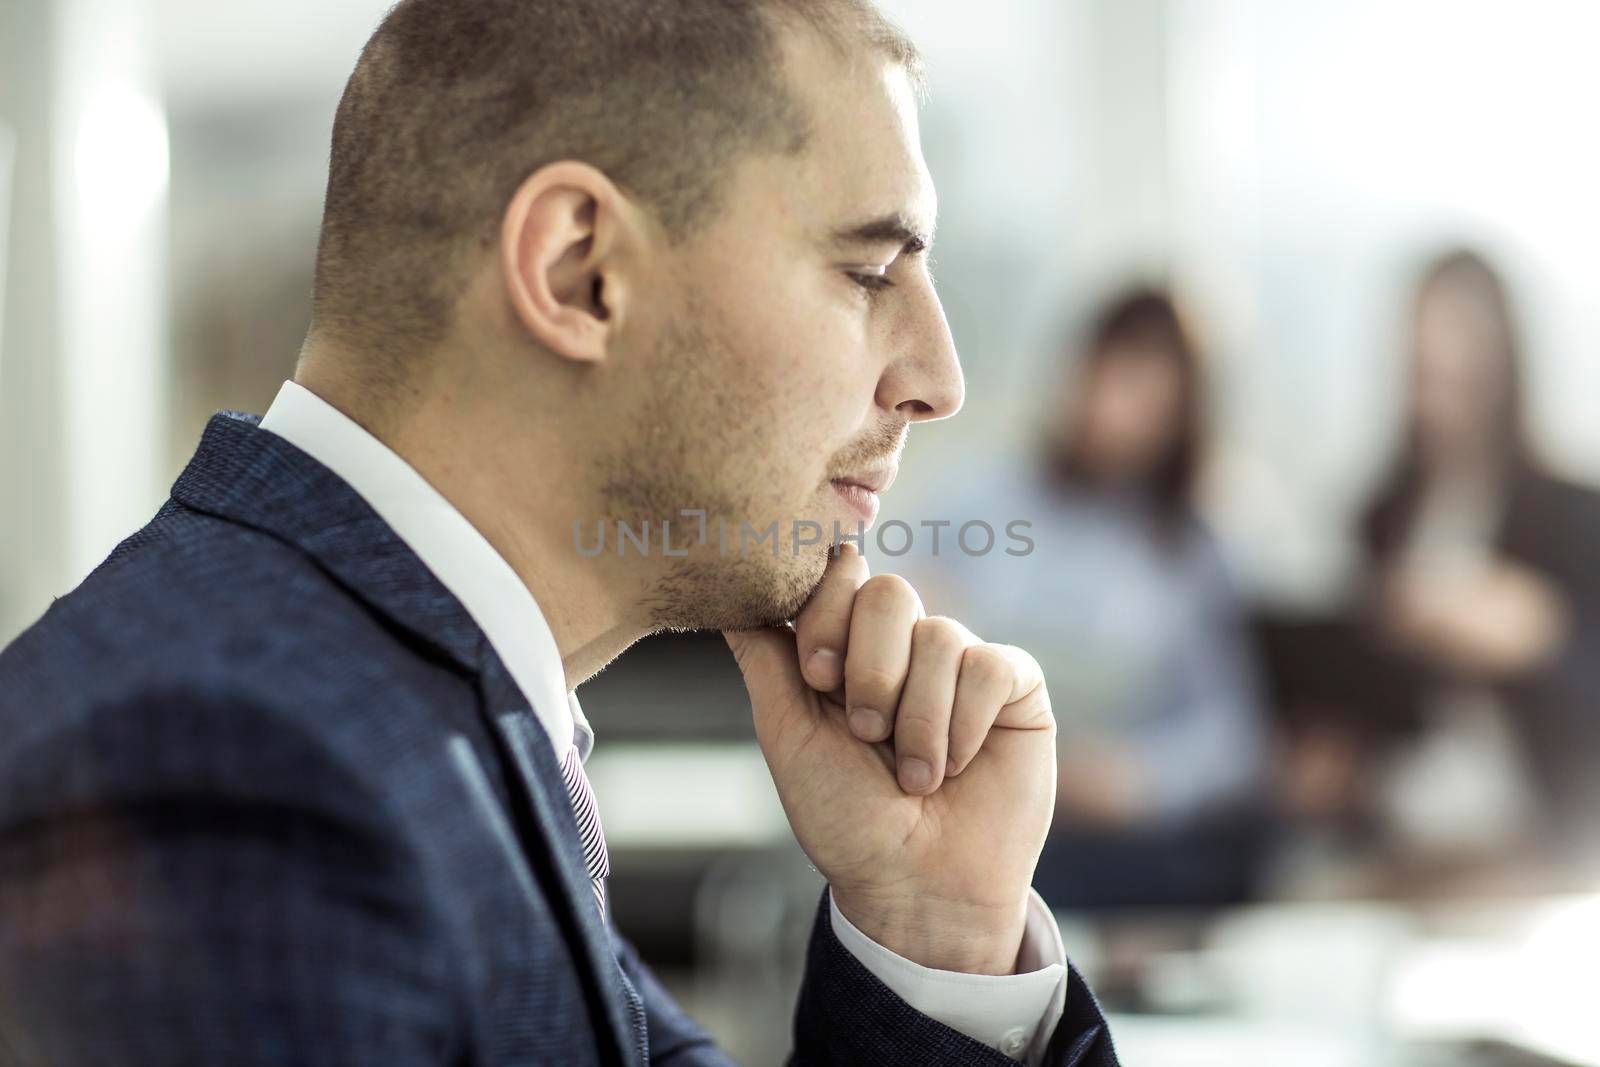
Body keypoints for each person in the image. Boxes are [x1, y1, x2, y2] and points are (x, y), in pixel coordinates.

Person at [0, 2, 1119, 1065]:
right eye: (869, 269)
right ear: (579, 270)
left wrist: (934, 926)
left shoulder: (411, 732)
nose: (939, 380)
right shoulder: (235, 783)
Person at [915, 288, 1270, 910]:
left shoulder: (1189, 549)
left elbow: (1232, 735)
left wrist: (1140, 782)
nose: (1126, 416)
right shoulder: (986, 501)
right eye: (1118, 381)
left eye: (1155, 402)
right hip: (974, 799)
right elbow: (901, 588)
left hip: (1109, 844)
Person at [1346, 248, 1600, 874]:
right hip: (1402, 828)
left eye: (1458, 335)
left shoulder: (1569, 514)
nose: (1439, 356)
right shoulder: (1381, 515)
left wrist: (1537, 638)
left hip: (1541, 839)